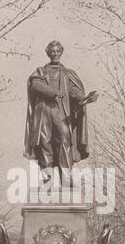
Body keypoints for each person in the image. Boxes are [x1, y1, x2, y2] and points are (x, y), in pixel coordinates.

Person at [24, 40, 98, 185]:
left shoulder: (67, 73)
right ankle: (49, 179)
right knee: (45, 143)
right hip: (43, 113)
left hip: (61, 113)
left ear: (61, 52)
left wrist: (85, 98)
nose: (55, 54)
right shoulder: (40, 71)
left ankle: (65, 177)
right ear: (48, 53)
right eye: (52, 51)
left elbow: (74, 91)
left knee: (65, 140)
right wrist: (55, 92)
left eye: (58, 51)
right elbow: (35, 85)